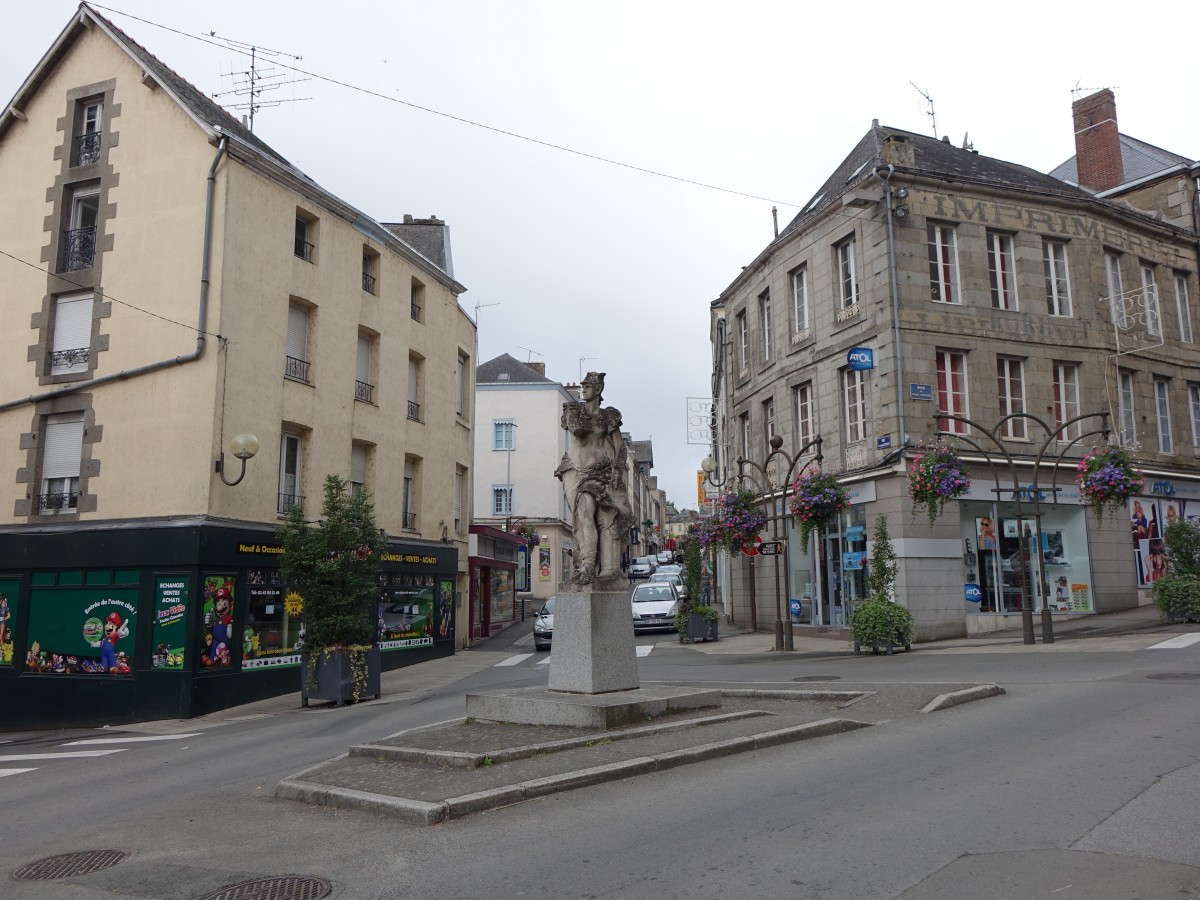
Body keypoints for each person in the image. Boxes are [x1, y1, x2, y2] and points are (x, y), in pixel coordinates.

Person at [554, 372, 634, 585]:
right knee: (579, 519)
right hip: (572, 469)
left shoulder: (608, 416)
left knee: (586, 510)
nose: (583, 389)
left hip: (597, 471)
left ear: (598, 390)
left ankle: (589, 565)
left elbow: (620, 447)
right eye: (582, 386)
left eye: (588, 386)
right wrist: (573, 414)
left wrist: (618, 468)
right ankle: (583, 562)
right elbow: (577, 431)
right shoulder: (573, 412)